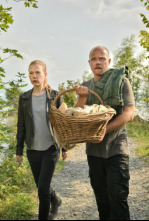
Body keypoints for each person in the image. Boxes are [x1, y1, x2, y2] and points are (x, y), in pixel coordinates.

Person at [75, 46, 135, 220]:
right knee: (102, 199)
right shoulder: (85, 87)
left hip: (117, 148)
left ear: (109, 62)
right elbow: (76, 117)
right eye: (94, 59)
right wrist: (81, 98)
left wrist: (105, 129)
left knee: (118, 197)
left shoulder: (121, 81)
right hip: (94, 152)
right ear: (89, 63)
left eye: (102, 58)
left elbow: (129, 113)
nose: (98, 62)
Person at [16, 60, 68, 220]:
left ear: (44, 75)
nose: (34, 76)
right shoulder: (24, 98)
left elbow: (62, 124)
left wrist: (64, 148)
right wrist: (19, 151)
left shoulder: (55, 96)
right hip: (33, 150)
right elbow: (21, 125)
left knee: (43, 189)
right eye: (31, 73)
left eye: (37, 72)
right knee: (41, 186)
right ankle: (56, 200)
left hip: (51, 148)